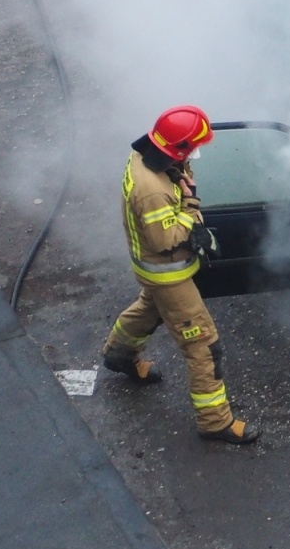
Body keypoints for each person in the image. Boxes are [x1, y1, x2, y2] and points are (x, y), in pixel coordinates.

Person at [99, 106, 260, 444]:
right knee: (204, 346)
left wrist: (181, 179)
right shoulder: (153, 190)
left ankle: (119, 355)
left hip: (155, 275)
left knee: (149, 309)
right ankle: (215, 421)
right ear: (178, 149)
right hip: (168, 276)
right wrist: (190, 210)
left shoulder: (148, 156)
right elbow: (163, 240)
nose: (197, 155)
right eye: (193, 148)